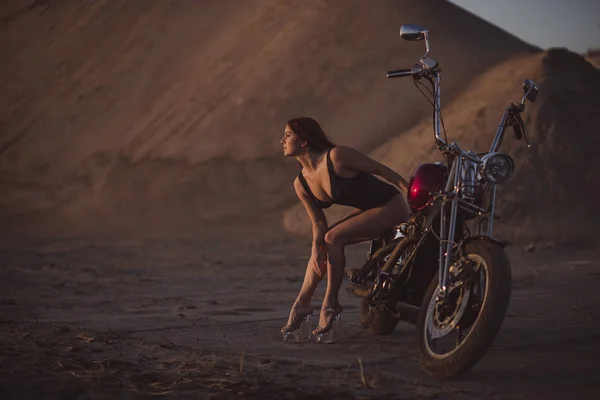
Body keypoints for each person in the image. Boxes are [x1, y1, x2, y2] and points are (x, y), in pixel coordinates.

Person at [279, 116, 411, 343]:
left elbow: (382, 170)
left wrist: (413, 195)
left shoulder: (337, 157)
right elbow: (318, 223)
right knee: (322, 242)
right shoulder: (301, 183)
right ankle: (302, 303)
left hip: (392, 206)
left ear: (303, 141)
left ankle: (330, 303)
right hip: (368, 212)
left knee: (332, 237)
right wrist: (315, 250)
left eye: (288, 135)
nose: (282, 140)